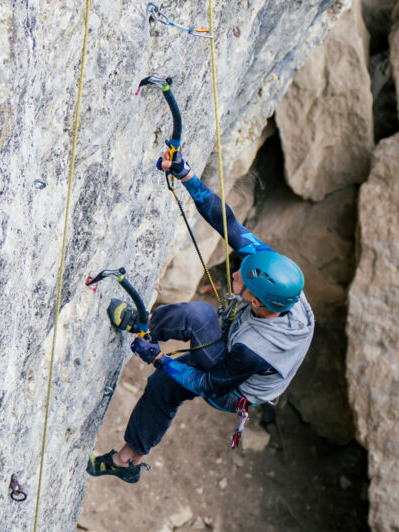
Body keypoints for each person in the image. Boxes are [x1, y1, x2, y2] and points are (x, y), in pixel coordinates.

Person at [86, 150, 315, 483]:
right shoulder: (279, 280)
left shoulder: (255, 349)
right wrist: (187, 176)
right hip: (238, 344)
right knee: (190, 339)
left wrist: (159, 359)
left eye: (243, 279)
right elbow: (231, 226)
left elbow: (208, 382)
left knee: (182, 351)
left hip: (234, 389)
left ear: (257, 300)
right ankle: (142, 324)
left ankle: (125, 461)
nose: (236, 272)